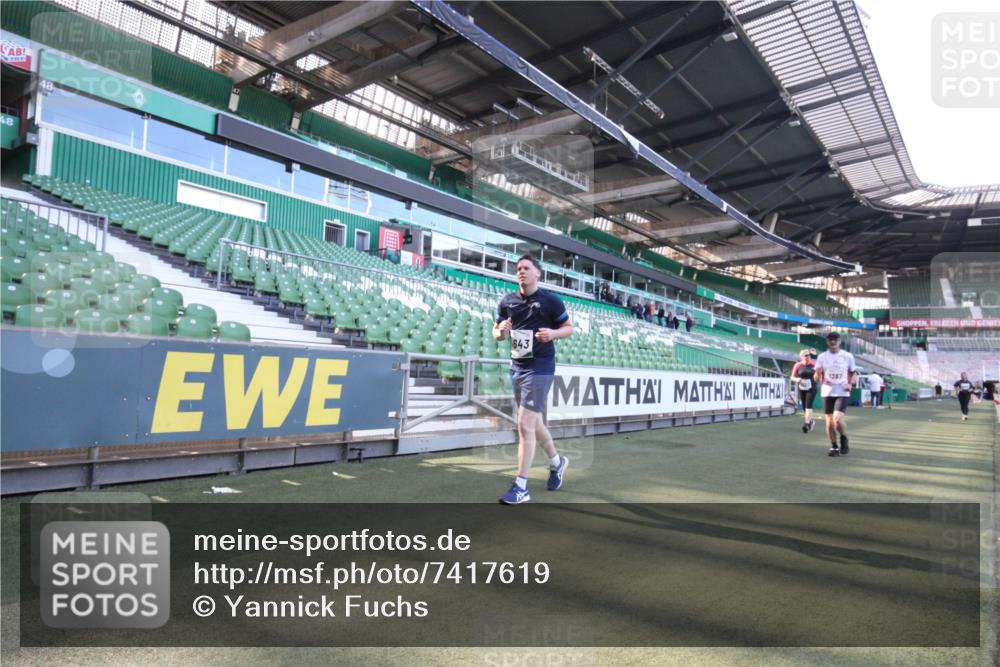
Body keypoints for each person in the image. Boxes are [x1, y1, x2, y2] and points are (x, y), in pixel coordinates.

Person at [494, 254, 573, 504]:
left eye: (526, 268)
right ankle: (557, 462)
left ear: (538, 273)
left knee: (525, 425)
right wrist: (500, 332)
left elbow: (569, 328)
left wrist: (553, 333)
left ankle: (521, 486)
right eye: (518, 268)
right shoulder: (507, 301)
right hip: (517, 366)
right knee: (535, 423)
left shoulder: (551, 301)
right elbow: (496, 332)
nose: (521, 272)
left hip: (541, 368)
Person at [815, 332, 857, 457]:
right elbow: (816, 376)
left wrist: (850, 384)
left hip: (842, 391)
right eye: (830, 340)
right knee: (829, 421)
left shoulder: (847, 356)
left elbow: (854, 373)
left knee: (837, 419)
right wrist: (817, 373)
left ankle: (844, 438)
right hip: (827, 391)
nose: (833, 342)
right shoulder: (822, 357)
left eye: (835, 339)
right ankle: (834, 446)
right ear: (827, 342)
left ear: (839, 341)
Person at [790, 349, 817, 433]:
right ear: (801, 357)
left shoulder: (814, 364)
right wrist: (797, 379)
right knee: (805, 407)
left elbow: (820, 375)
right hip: (802, 387)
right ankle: (811, 421)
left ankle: (806, 424)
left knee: (808, 405)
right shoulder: (798, 365)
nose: (808, 357)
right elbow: (792, 377)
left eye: (809, 355)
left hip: (812, 387)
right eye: (806, 355)